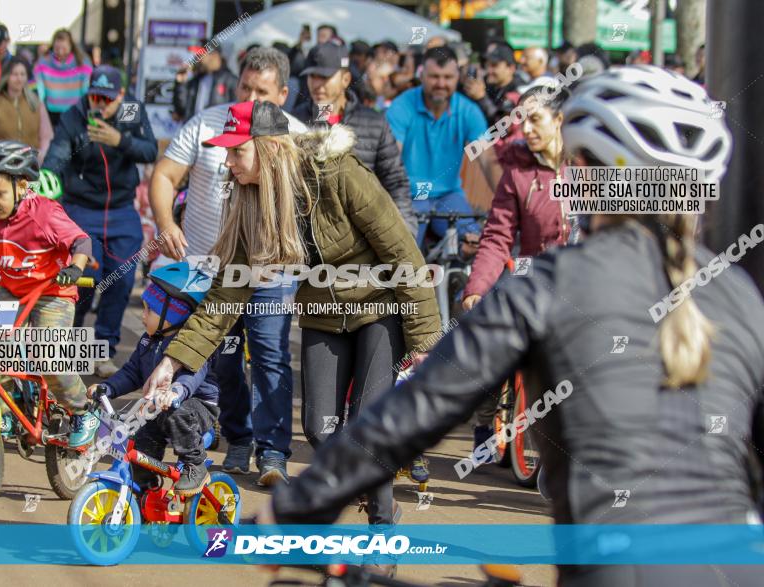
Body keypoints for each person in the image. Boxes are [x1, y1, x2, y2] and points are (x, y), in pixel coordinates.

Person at [257, 66, 758, 587]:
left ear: (583, 169)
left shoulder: (552, 283)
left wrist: (295, 508)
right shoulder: (739, 295)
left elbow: (415, 412)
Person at [145, 100, 440, 550]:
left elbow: (404, 253)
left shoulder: (339, 174)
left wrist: (423, 340)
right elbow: (226, 294)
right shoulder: (250, 198)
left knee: (368, 425)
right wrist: (173, 361)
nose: (227, 161)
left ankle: (383, 533)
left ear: (267, 149)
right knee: (321, 429)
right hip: (323, 314)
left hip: (380, 308)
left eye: (235, 151)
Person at [150, 48, 307, 486]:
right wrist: (166, 223)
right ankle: (238, 437)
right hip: (208, 266)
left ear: (283, 92)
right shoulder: (205, 123)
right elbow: (164, 176)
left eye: (263, 91)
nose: (252, 97)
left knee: (271, 354)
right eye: (245, 87)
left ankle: (273, 454)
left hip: (273, 271)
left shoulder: (296, 136)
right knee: (223, 359)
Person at [0, 140, 99, 447]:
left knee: (47, 353)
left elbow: (81, 243)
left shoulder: (44, 213)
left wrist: (75, 268)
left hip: (52, 291)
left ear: (23, 186)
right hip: (12, 290)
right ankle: (5, 408)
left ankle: (84, 410)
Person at [460, 85, 577, 461]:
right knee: (493, 333)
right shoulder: (517, 173)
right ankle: (484, 421)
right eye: (522, 121)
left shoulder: (590, 167)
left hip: (580, 280)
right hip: (531, 273)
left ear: (560, 120)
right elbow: (497, 236)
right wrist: (477, 287)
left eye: (536, 119)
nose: (526, 129)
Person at [42, 65, 157, 377]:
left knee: (121, 281)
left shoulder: (133, 110)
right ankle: (71, 350)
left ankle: (104, 349)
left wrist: (120, 139)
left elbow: (150, 150)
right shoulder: (74, 114)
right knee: (82, 281)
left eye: (107, 98)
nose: (100, 104)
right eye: (94, 96)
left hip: (121, 208)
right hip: (82, 209)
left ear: (121, 95)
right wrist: (44, 180)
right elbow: (55, 157)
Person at [90, 262, 220, 495]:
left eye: (149, 310)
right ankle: (144, 489)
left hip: (196, 407)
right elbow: (132, 372)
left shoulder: (194, 345)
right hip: (159, 408)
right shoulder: (148, 340)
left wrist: (176, 391)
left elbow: (193, 375)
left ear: (172, 315)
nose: (142, 316)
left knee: (177, 412)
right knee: (139, 441)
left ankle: (195, 464)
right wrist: (108, 388)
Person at [292, 42, 417, 236]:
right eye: (312, 76)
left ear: (345, 79)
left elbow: (395, 181)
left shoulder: (374, 122)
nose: (316, 84)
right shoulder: (296, 122)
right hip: (312, 237)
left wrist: (405, 230)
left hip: (366, 234)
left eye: (324, 77)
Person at [386, 46, 487, 251]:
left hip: (448, 195)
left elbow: (489, 158)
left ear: (457, 77)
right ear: (421, 75)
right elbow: (390, 157)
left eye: (448, 77)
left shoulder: (468, 111)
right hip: (408, 194)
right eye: (434, 77)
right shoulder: (401, 106)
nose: (441, 83)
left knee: (474, 244)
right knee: (401, 252)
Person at [0, 58, 53, 160]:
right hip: (1, 164)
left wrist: (41, 156)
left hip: (31, 165)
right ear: (6, 77)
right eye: (15, 74)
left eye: (22, 74)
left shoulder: (36, 104)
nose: (19, 79)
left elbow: (46, 137)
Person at [33, 29, 93, 129]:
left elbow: (86, 89)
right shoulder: (44, 62)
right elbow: (40, 88)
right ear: (53, 46)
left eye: (64, 48)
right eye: (57, 48)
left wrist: (86, 109)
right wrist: (40, 106)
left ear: (71, 46)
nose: (60, 52)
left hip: (75, 113)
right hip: (52, 113)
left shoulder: (82, 62)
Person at [171, 44, 238, 122]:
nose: (197, 59)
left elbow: (236, 112)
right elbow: (181, 110)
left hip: (216, 130)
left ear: (214, 56)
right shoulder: (195, 81)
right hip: (193, 129)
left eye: (200, 55)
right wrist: (180, 84)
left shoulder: (231, 81)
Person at [464, 43, 522, 126]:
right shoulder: (491, 86)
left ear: (511, 68)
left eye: (494, 65)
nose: (488, 70)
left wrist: (481, 98)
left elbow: (503, 125)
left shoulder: (519, 91)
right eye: (487, 65)